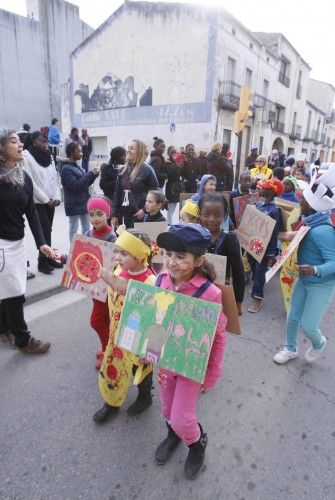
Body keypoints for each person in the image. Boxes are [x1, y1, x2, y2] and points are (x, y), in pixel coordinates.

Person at [154, 224, 227, 479]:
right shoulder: (161, 279)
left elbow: (217, 338)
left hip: (191, 368)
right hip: (165, 361)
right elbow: (156, 319)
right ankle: (172, 434)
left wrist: (212, 375)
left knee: (183, 418)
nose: (172, 262)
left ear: (198, 260)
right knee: (166, 410)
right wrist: (149, 350)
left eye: (180, 257)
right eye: (168, 254)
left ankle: (197, 444)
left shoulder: (210, 294)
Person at [0, 128, 57, 353]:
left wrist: (41, 243)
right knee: (15, 293)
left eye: (19, 141)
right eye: (13, 141)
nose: (20, 144)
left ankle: (4, 327)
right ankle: (23, 340)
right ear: (2, 148)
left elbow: (31, 211)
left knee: (10, 288)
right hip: (1, 244)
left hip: (17, 243)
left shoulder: (23, 177)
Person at [274, 166, 335, 364]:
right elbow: (299, 234)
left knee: (309, 326)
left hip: (321, 285)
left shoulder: (323, 231)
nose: (300, 201)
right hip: (303, 280)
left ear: (313, 206)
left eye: (303, 200)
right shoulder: (311, 222)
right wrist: (285, 236)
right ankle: (290, 348)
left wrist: (315, 270)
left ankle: (319, 343)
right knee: (293, 317)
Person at [93, 229, 155, 422]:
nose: (117, 257)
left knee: (140, 368)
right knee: (113, 365)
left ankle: (145, 397)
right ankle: (111, 401)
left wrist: (149, 350)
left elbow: (155, 319)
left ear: (138, 257)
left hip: (140, 338)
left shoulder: (151, 282)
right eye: (117, 251)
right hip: (118, 334)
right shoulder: (119, 271)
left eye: (123, 253)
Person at [199, 192, 245, 315]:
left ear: (225, 216)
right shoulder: (194, 236)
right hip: (196, 294)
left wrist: (238, 302)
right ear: (199, 214)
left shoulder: (230, 240)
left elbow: (238, 272)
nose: (212, 219)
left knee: (217, 328)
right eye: (207, 215)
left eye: (217, 215)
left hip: (219, 296)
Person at [22, 131, 62, 274]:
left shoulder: (49, 156)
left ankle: (49, 257)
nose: (45, 144)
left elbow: (54, 176)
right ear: (34, 142)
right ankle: (42, 262)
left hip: (50, 201)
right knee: (43, 231)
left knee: (48, 230)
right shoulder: (26, 156)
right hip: (37, 202)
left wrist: (56, 196)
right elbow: (30, 181)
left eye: (46, 142)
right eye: (42, 142)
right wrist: (46, 200)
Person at [85, 197, 116, 369]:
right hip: (93, 286)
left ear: (107, 215)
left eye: (99, 214)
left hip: (106, 287)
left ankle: (108, 351)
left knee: (96, 321)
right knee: (105, 319)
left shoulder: (112, 237)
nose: (95, 218)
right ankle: (109, 346)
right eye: (91, 214)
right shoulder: (89, 234)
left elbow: (116, 263)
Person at [247, 178, 283, 313]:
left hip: (265, 248)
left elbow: (274, 233)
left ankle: (257, 298)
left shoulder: (275, 210)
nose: (260, 189)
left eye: (263, 188)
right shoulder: (260, 206)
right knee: (254, 269)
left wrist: (272, 253)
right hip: (252, 245)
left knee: (260, 270)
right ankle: (258, 284)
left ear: (272, 192)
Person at [112, 139, 159, 228]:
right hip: (124, 216)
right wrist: (114, 215)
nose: (128, 150)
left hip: (140, 215)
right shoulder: (122, 170)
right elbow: (117, 194)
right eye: (128, 148)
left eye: (132, 148)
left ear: (139, 152)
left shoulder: (147, 170)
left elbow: (155, 194)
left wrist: (144, 210)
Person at [60, 142, 100, 242]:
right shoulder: (66, 169)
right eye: (79, 151)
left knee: (86, 226)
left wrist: (93, 175)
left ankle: (83, 247)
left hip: (83, 201)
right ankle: (73, 249)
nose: (81, 153)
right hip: (73, 203)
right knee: (74, 227)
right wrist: (90, 174)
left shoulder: (77, 167)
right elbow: (76, 185)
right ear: (71, 152)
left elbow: (85, 183)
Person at [165, 146, 184, 225]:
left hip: (178, 186)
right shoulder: (167, 162)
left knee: (175, 206)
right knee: (170, 207)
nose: (174, 154)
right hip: (171, 187)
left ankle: (170, 222)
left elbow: (183, 173)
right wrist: (176, 164)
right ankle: (169, 224)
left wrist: (182, 162)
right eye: (172, 152)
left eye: (175, 152)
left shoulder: (178, 161)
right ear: (168, 153)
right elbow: (170, 174)